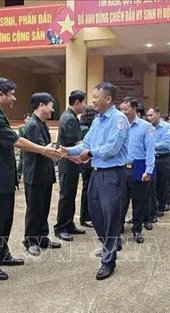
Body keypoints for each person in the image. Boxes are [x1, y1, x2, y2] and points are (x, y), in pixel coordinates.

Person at [0, 77, 61, 281]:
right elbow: (16, 141)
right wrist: (43, 149)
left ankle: (1, 254)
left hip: (3, 178)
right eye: (12, 94)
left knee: (5, 219)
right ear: (1, 95)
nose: (14, 98)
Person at [61, 82, 129, 281]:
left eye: (95, 97)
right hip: (97, 173)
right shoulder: (98, 120)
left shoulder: (119, 119)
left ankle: (108, 261)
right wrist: (67, 151)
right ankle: (112, 243)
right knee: (95, 212)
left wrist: (89, 153)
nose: (92, 101)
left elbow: (112, 148)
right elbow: (86, 143)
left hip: (112, 174)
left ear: (108, 99)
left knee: (110, 217)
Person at [22, 92, 61, 256]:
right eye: (51, 105)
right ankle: (30, 240)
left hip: (44, 173)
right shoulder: (32, 125)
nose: (52, 110)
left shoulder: (41, 123)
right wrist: (60, 152)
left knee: (44, 207)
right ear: (41, 105)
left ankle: (42, 236)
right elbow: (43, 149)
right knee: (34, 209)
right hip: (35, 174)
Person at [120, 97, 155, 240]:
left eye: (126, 109)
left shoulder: (146, 126)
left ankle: (137, 229)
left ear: (134, 109)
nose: (123, 112)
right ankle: (119, 226)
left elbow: (150, 150)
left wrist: (149, 170)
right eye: (121, 109)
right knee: (121, 200)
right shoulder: (119, 125)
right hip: (121, 167)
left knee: (139, 201)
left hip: (139, 166)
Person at [54, 90, 87, 241]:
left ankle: (69, 224)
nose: (85, 106)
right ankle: (61, 227)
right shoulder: (69, 119)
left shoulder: (70, 116)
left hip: (71, 161)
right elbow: (75, 143)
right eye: (84, 102)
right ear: (77, 102)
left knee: (71, 194)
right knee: (66, 195)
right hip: (68, 162)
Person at [145, 106, 170, 217]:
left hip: (163, 158)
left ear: (158, 114)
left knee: (163, 184)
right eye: (147, 115)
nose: (149, 118)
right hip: (151, 158)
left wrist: (149, 146)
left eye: (151, 115)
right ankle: (151, 207)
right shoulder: (147, 127)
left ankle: (161, 207)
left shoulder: (167, 127)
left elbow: (166, 144)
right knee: (151, 185)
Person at [79, 106, 97, 228]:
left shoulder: (83, 127)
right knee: (88, 190)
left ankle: (87, 216)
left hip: (87, 163)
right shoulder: (86, 129)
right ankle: (86, 216)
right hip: (88, 162)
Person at [17, 113, 31, 182]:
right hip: (23, 146)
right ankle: (18, 176)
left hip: (30, 147)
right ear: (25, 119)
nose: (29, 120)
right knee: (21, 162)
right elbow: (20, 137)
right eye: (28, 119)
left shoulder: (31, 127)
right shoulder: (21, 127)